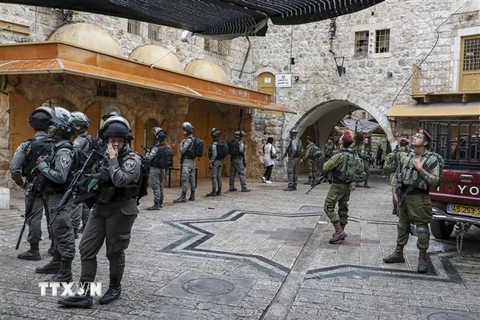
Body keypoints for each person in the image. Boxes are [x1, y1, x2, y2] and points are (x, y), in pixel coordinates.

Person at [58, 115, 142, 307]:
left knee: (114, 251)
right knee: (86, 247)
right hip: (101, 208)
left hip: (121, 210)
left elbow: (121, 180)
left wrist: (113, 159)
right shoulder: (101, 156)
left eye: (120, 141)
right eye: (113, 141)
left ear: (126, 141)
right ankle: (85, 294)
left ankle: (115, 287)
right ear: (107, 140)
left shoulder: (132, 160)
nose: (116, 145)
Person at [383, 129, 440, 273]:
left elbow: (435, 181)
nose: (414, 138)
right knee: (402, 225)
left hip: (420, 198)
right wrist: (394, 192)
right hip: (404, 197)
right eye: (414, 136)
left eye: (419, 137)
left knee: (421, 228)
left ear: (425, 143)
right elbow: (397, 175)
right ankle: (398, 253)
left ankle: (422, 258)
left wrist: (421, 170)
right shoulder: (406, 156)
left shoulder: (431, 159)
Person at [34, 107, 77, 282]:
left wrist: (42, 166)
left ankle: (66, 271)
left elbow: (60, 177)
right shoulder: (56, 147)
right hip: (52, 197)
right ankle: (57, 262)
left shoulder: (64, 151)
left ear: (61, 129)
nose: (49, 128)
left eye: (53, 125)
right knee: (56, 231)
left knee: (63, 232)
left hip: (60, 197)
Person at [9, 106, 55, 261]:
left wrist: (21, 184)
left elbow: (14, 168)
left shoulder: (26, 145)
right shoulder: (57, 145)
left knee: (34, 218)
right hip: (53, 187)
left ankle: (34, 250)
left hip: (33, 186)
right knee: (53, 216)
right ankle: (55, 247)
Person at [322, 130, 355, 244]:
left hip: (337, 184)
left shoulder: (339, 155)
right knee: (343, 207)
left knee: (328, 206)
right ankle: (340, 231)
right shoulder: (352, 155)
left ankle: (339, 230)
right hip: (348, 185)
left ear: (341, 141)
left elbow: (326, 167)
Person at [70, 111, 94, 236]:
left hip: (78, 173)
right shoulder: (88, 139)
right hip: (85, 173)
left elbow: (72, 155)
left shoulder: (79, 141)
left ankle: (74, 228)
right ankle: (86, 224)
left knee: (76, 201)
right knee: (84, 200)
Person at [146, 127, 170, 209]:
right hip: (162, 169)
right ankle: (160, 202)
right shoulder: (166, 147)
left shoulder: (156, 148)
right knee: (160, 185)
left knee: (155, 186)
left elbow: (149, 158)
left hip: (155, 169)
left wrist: (146, 155)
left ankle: (156, 204)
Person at [385, 138, 410, 215]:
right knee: (398, 191)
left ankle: (394, 208)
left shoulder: (396, 151)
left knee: (394, 191)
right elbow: (406, 162)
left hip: (393, 174)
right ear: (406, 145)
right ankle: (398, 209)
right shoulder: (402, 153)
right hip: (398, 174)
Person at [174, 122, 196, 203]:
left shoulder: (188, 140)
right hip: (192, 161)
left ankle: (183, 196)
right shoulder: (193, 139)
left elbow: (182, 150)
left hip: (187, 161)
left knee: (185, 179)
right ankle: (193, 195)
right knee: (191, 178)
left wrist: (180, 144)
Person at [206, 128, 226, 196]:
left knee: (214, 176)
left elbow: (214, 154)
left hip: (215, 162)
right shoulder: (221, 144)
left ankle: (214, 191)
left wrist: (211, 161)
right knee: (219, 176)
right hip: (220, 161)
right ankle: (219, 190)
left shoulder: (214, 144)